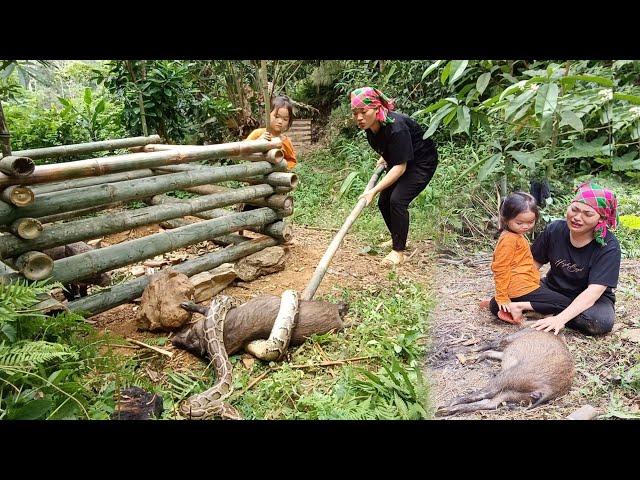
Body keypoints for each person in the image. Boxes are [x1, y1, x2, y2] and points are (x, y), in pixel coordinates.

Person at [493, 182, 621, 336]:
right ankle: (539, 308)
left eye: (588, 214)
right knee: (497, 304)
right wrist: (519, 287)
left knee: (598, 322)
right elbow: (532, 263)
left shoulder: (608, 246)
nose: (577, 217)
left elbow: (594, 291)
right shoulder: (555, 230)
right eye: (574, 209)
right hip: (552, 288)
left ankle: (537, 309)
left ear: (601, 219)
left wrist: (560, 319)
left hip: (592, 299)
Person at [350, 87, 438, 266]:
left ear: (376, 109)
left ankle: (399, 252)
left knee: (397, 201)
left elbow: (399, 166)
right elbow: (390, 144)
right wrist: (385, 155)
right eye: (355, 113)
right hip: (404, 159)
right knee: (384, 202)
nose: (359, 118)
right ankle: (398, 238)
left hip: (421, 163)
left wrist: (373, 190)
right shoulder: (370, 126)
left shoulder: (396, 126)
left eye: (363, 112)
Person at [483, 192, 541, 325]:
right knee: (562, 303)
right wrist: (502, 296)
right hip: (520, 287)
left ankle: (495, 306)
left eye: (530, 222)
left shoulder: (516, 235)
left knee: (548, 291)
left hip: (524, 284)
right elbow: (501, 268)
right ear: (505, 219)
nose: (525, 226)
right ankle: (509, 306)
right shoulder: (509, 239)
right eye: (519, 222)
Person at [246, 95, 297, 170]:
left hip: (277, 178)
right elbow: (244, 149)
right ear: (268, 114)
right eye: (276, 116)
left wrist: (284, 167)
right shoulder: (258, 134)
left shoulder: (286, 141)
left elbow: (292, 161)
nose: (280, 122)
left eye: (285, 119)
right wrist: (258, 142)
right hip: (257, 175)